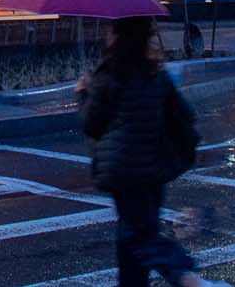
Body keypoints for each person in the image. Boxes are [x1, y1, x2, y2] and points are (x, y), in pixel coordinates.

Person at [78, 18, 216, 287]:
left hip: (123, 171)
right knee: (131, 237)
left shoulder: (109, 75)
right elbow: (185, 113)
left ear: (118, 35)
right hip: (154, 168)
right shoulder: (157, 74)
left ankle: (188, 278)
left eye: (111, 30)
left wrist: (83, 94)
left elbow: (91, 124)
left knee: (140, 236)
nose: (107, 34)